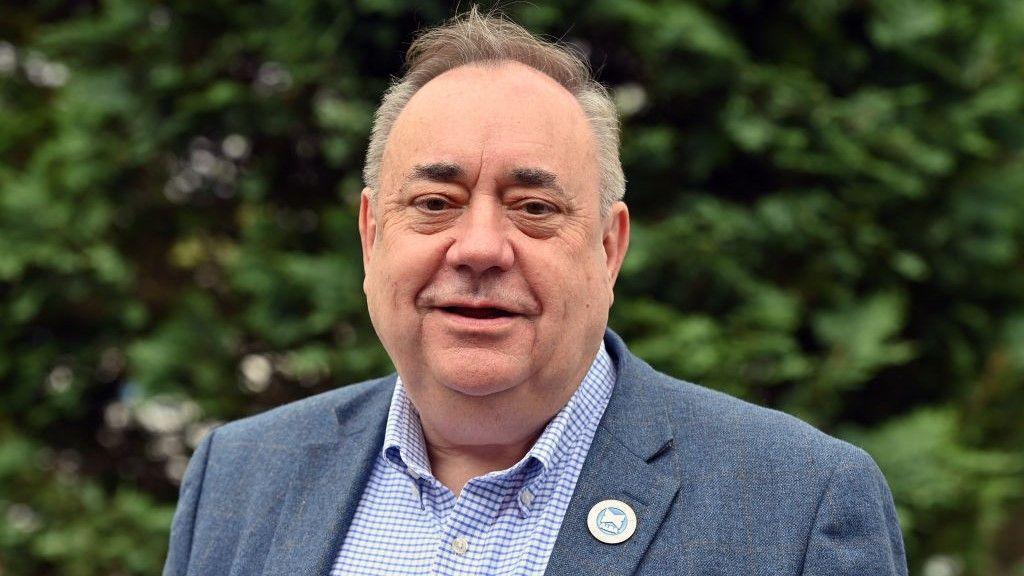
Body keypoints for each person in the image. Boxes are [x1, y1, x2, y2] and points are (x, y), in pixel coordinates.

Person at [163, 8, 907, 576]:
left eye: (534, 208)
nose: (480, 247)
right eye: (434, 202)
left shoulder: (798, 503)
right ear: (371, 236)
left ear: (609, 248)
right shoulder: (240, 475)